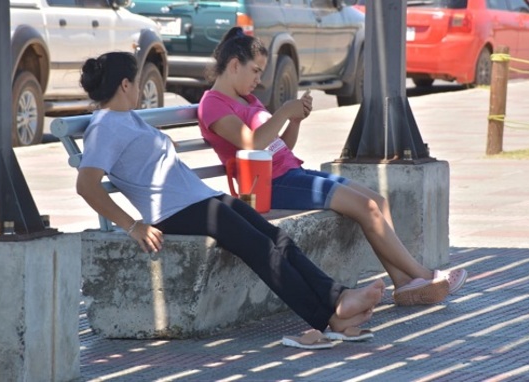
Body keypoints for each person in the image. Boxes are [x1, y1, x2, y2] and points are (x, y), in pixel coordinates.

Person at [76, 51, 385, 348]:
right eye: (138, 81)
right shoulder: (104, 127)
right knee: (260, 249)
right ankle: (331, 315)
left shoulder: (127, 118)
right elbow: (87, 185)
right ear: (125, 84)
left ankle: (338, 298)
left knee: (277, 237)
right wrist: (133, 226)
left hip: (201, 198)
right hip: (176, 210)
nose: (141, 88)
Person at [198, 27, 468, 306]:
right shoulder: (213, 105)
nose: (259, 79)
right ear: (233, 65)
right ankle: (423, 274)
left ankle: (403, 284)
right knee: (367, 208)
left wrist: (294, 120)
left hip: (292, 174)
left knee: (377, 201)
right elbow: (252, 143)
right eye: (255, 71)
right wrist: (283, 112)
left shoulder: (247, 99)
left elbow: (280, 147)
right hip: (270, 185)